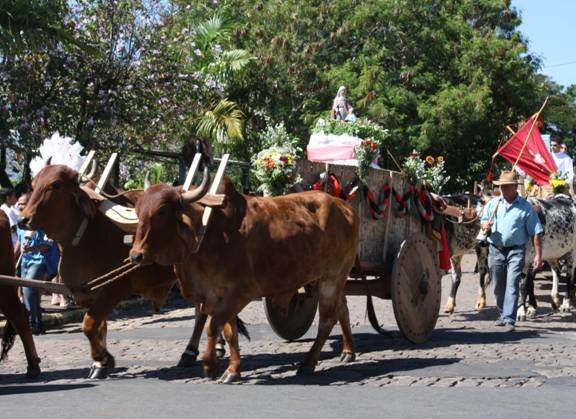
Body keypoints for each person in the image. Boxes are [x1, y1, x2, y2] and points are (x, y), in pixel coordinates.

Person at [481, 170, 543, 332]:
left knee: (512, 284)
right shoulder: (493, 204)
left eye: (507, 186)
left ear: (516, 187)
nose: (504, 189)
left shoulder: (525, 207)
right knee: (498, 286)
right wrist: (484, 226)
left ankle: (509, 318)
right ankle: (502, 314)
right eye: (502, 187)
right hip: (495, 249)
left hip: (516, 250)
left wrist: (538, 255)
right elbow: (483, 220)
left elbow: (536, 231)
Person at [17, 193, 53, 335]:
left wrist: (32, 248)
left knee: (28, 290)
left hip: (39, 261)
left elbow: (48, 245)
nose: (21, 206)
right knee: (29, 293)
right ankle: (38, 324)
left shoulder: (42, 222)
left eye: (24, 203)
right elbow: (19, 243)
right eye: (19, 203)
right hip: (25, 261)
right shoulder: (20, 224)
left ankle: (33, 323)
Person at [0, 187, 19, 255]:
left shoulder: (9, 208)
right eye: (14, 196)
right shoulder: (7, 211)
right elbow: (13, 228)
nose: (16, 198)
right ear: (8, 198)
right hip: (15, 243)